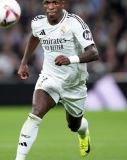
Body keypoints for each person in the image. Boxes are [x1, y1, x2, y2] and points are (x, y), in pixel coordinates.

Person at [15, 0, 99, 159]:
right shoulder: (38, 23)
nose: (51, 6)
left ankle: (84, 132)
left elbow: (94, 52)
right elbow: (34, 37)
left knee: (74, 126)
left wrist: (71, 59)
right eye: (47, 3)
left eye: (55, 2)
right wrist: (24, 62)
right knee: (35, 113)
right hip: (49, 77)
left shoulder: (75, 23)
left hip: (74, 84)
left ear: (63, 4)